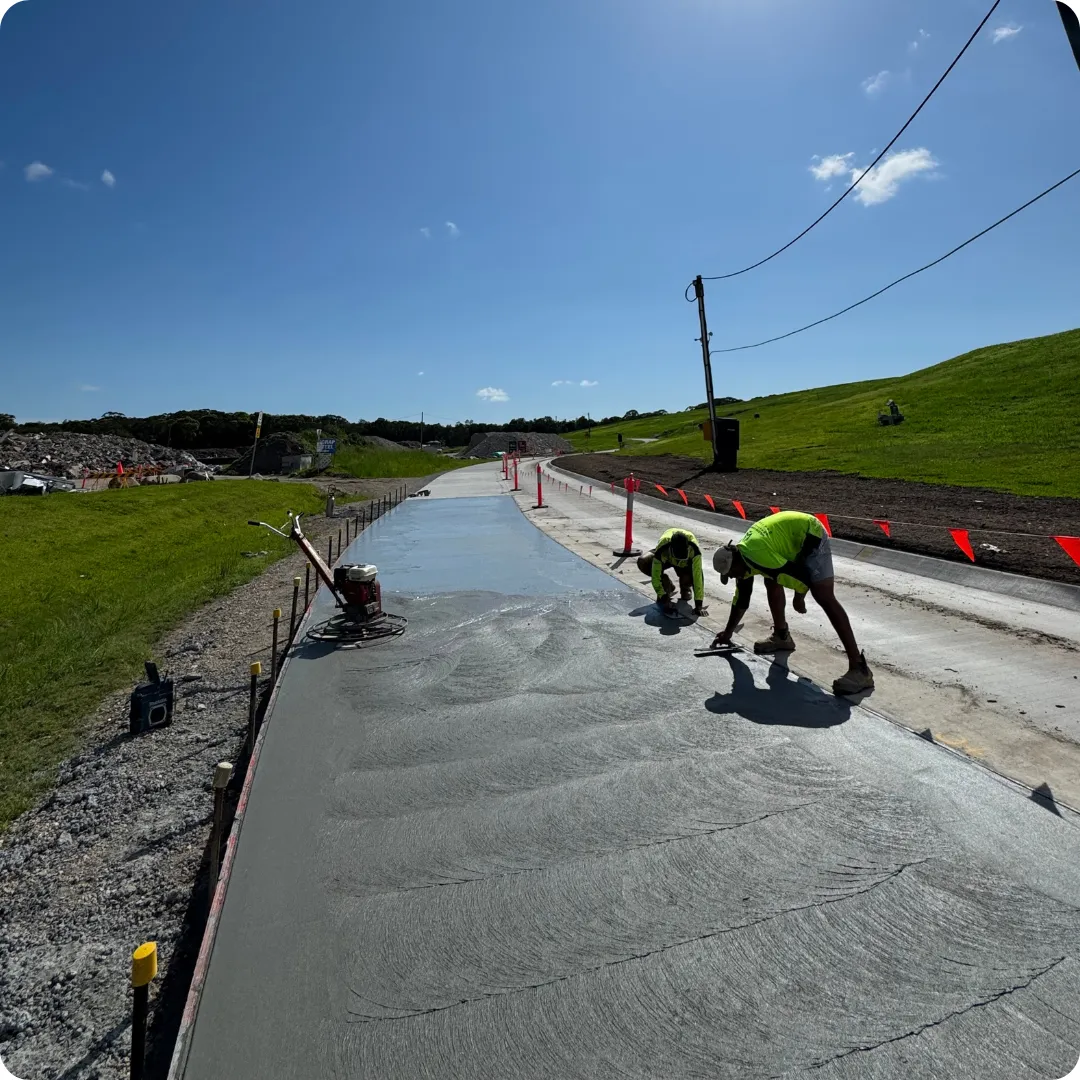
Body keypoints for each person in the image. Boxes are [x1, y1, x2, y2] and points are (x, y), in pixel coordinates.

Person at [708, 510, 874, 696]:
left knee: (823, 595)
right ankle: (782, 636)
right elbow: (742, 599)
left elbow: (801, 576)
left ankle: (860, 669)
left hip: (811, 535)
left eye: (730, 574)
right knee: (771, 579)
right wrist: (728, 633)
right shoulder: (743, 557)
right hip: (791, 540)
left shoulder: (757, 556)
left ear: (735, 563)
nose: (732, 578)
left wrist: (799, 597)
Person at [638, 528, 708, 619]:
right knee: (643, 562)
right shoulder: (662, 548)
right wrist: (663, 596)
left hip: (685, 564)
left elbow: (697, 575)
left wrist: (699, 605)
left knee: (691, 576)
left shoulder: (694, 550)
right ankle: (667, 585)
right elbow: (655, 575)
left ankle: (685, 587)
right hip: (667, 559)